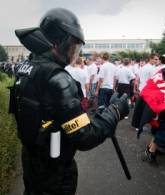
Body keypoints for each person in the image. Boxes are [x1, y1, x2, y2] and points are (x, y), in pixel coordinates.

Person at [10, 8, 129, 195]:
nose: (74, 52)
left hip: (32, 160)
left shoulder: (26, 68)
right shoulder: (58, 79)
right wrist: (114, 113)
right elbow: (85, 136)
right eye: (73, 46)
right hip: (55, 170)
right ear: (58, 42)